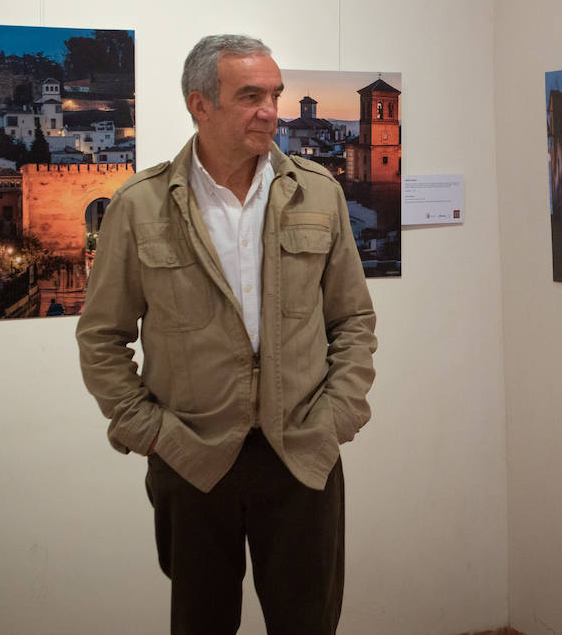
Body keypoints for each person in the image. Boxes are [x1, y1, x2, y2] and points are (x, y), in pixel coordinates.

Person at [76, 35, 377, 635]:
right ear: (200, 104)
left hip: (302, 455)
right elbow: (101, 338)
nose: (270, 110)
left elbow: (353, 320)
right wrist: (152, 434)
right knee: (201, 622)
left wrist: (338, 415)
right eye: (249, 96)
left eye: (275, 94)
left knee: (307, 622)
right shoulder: (140, 207)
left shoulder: (318, 192)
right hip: (191, 459)